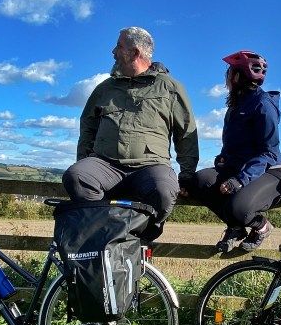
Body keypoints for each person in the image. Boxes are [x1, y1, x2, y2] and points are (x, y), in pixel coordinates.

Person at [63, 26, 198, 241]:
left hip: (150, 165)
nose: (113, 51)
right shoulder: (104, 88)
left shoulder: (170, 88)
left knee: (164, 191)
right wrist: (84, 159)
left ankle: (139, 239)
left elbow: (186, 132)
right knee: (77, 176)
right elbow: (87, 127)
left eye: (119, 46)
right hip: (105, 164)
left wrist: (188, 174)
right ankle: (104, 238)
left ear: (134, 52)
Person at [193, 50, 281, 252]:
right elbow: (235, 145)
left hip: (270, 172)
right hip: (239, 168)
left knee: (239, 208)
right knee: (199, 181)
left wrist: (239, 180)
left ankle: (261, 226)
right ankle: (236, 228)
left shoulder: (264, 104)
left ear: (236, 76)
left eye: (228, 73)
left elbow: (269, 152)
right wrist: (223, 159)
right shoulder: (236, 105)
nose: (226, 78)